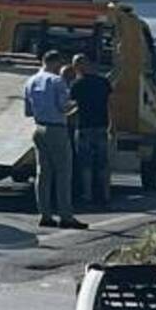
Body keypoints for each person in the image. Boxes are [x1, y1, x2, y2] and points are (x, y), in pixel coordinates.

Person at [23, 50, 84, 230]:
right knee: (63, 173)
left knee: (43, 173)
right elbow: (63, 107)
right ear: (56, 63)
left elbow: (27, 111)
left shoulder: (30, 81)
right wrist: (76, 105)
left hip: (38, 128)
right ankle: (66, 216)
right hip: (56, 129)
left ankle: (45, 214)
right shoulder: (57, 81)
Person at [68, 53, 112, 207]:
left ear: (78, 66)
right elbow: (109, 104)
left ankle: (88, 194)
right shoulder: (103, 82)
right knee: (103, 163)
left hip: (84, 126)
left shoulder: (76, 84)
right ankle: (106, 194)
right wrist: (111, 124)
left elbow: (72, 106)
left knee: (85, 163)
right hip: (101, 125)